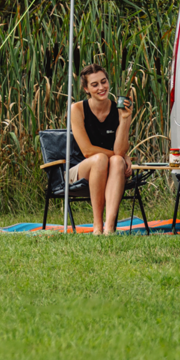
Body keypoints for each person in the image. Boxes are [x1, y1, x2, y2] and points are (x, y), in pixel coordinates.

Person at [68, 62, 133, 235]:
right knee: (100, 159)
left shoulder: (118, 109)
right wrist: (122, 156)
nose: (101, 88)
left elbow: (119, 151)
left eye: (103, 82)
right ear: (86, 89)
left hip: (111, 169)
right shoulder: (77, 109)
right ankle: (97, 227)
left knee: (117, 160)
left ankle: (109, 228)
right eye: (95, 85)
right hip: (80, 168)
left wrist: (125, 119)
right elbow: (87, 151)